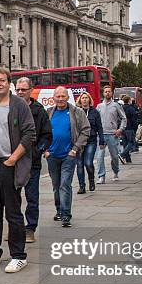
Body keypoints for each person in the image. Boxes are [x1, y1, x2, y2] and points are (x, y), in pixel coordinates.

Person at [0, 68, 35, 273]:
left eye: (3, 80)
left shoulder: (18, 105)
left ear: (8, 83)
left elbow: (29, 134)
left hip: (8, 166)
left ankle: (18, 256)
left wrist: (12, 159)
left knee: (12, 212)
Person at [45, 86, 90, 227]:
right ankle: (59, 210)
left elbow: (86, 130)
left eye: (63, 96)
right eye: (57, 96)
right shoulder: (48, 113)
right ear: (53, 98)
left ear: (68, 97)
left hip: (68, 155)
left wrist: (75, 149)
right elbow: (42, 132)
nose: (60, 99)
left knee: (65, 185)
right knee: (56, 185)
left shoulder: (77, 112)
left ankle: (66, 214)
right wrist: (45, 150)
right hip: (52, 156)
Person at [15, 77, 52, 243]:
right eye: (18, 89)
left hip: (32, 162)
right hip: (12, 160)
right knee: (12, 198)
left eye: (24, 89)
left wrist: (37, 151)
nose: (20, 92)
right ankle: (15, 227)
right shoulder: (10, 107)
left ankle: (30, 228)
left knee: (31, 197)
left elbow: (47, 135)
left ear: (31, 90)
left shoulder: (39, 110)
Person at [95, 85, 126, 183]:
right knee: (100, 157)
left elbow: (124, 118)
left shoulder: (116, 105)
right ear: (103, 94)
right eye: (106, 92)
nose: (107, 93)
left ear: (112, 93)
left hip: (113, 135)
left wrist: (120, 129)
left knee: (115, 156)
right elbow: (95, 120)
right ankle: (101, 176)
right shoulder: (99, 106)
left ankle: (116, 172)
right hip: (101, 135)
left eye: (109, 91)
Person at [76, 92, 104, 193]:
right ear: (80, 100)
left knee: (88, 163)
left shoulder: (95, 112)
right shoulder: (76, 112)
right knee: (79, 164)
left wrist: (101, 139)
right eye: (82, 98)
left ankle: (91, 180)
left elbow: (100, 127)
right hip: (79, 142)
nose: (84, 100)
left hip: (91, 140)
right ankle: (81, 186)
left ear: (89, 100)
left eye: (86, 98)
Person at [119, 95, 138, 164]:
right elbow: (134, 120)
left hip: (122, 128)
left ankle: (128, 160)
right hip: (130, 128)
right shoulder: (131, 108)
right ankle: (122, 154)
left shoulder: (120, 108)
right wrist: (135, 128)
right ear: (129, 100)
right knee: (131, 143)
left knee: (125, 144)